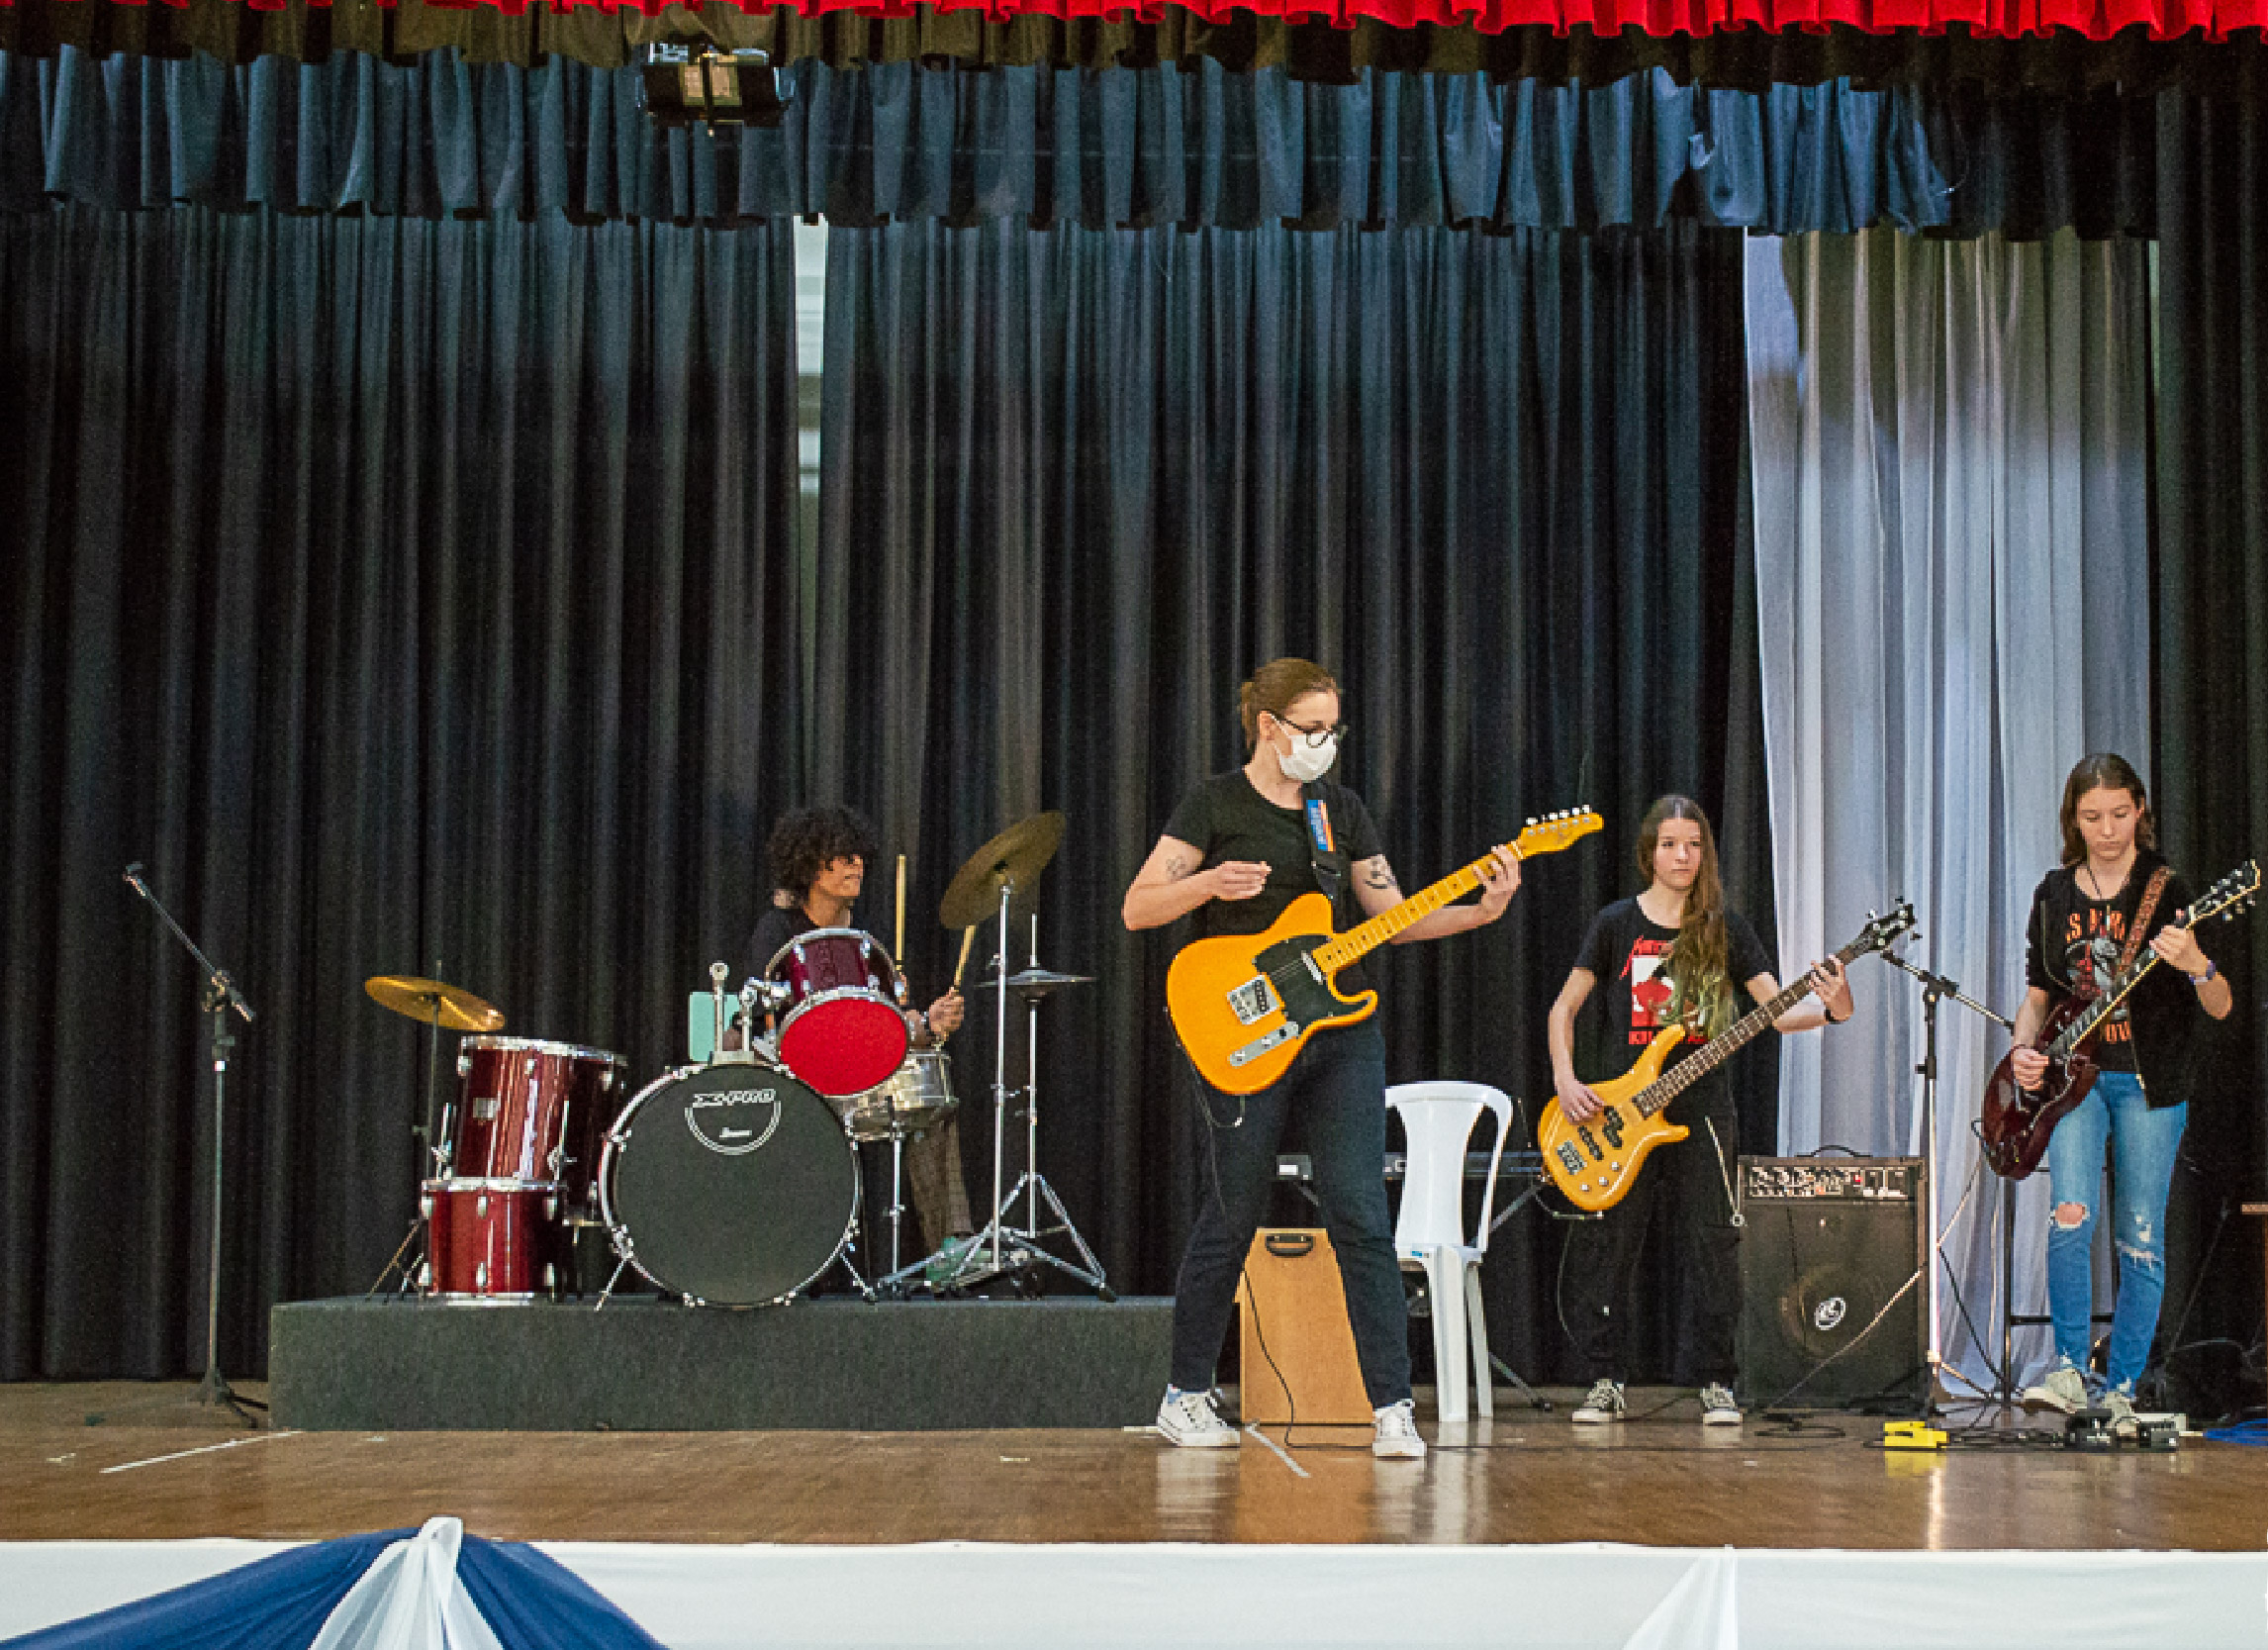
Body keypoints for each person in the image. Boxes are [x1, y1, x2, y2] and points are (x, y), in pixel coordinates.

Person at [1122, 657, 1521, 1461]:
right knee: (1233, 1212)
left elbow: (1390, 915)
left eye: (1334, 729)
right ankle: (1184, 1393)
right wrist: (1209, 883)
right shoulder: (1214, 804)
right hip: (1243, 1030)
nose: (1326, 742)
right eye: (1313, 728)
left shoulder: (1338, 812)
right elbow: (1138, 907)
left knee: (1362, 1214)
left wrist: (1480, 911)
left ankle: (1392, 1407)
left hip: (1339, 1032)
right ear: (1268, 726)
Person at [1548, 795, 1852, 1428]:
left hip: (1705, 1106)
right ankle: (1605, 1379)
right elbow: (1563, 1009)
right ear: (1649, 852)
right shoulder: (1615, 924)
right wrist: (1567, 1080)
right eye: (1669, 844)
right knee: (1611, 1244)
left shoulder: (1726, 929)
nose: (1681, 856)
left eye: (1692, 845)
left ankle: (1717, 1381)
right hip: (1623, 1112)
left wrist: (1833, 1009)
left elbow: (1776, 1014)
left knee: (1714, 1242)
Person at [2010, 754, 2229, 1429]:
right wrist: (2022, 1052)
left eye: (2119, 814)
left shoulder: (2169, 889)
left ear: (2140, 811)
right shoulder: (2053, 894)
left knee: (2140, 1235)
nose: (2107, 830)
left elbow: (2221, 1004)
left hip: (2148, 1083)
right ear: (2073, 820)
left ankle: (2124, 1387)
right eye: (2092, 817)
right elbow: (2037, 995)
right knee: (2069, 1214)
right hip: (2072, 1081)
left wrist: (2197, 963)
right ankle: (2069, 1369)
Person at [747, 805, 977, 1284]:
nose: (857, 865)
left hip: (864, 1074)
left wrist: (928, 1023)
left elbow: (892, 1019)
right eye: (842, 857)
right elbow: (756, 1020)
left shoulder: (867, 935)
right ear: (811, 866)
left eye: (858, 856)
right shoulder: (777, 929)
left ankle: (951, 1250)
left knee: (930, 1086)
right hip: (800, 1075)